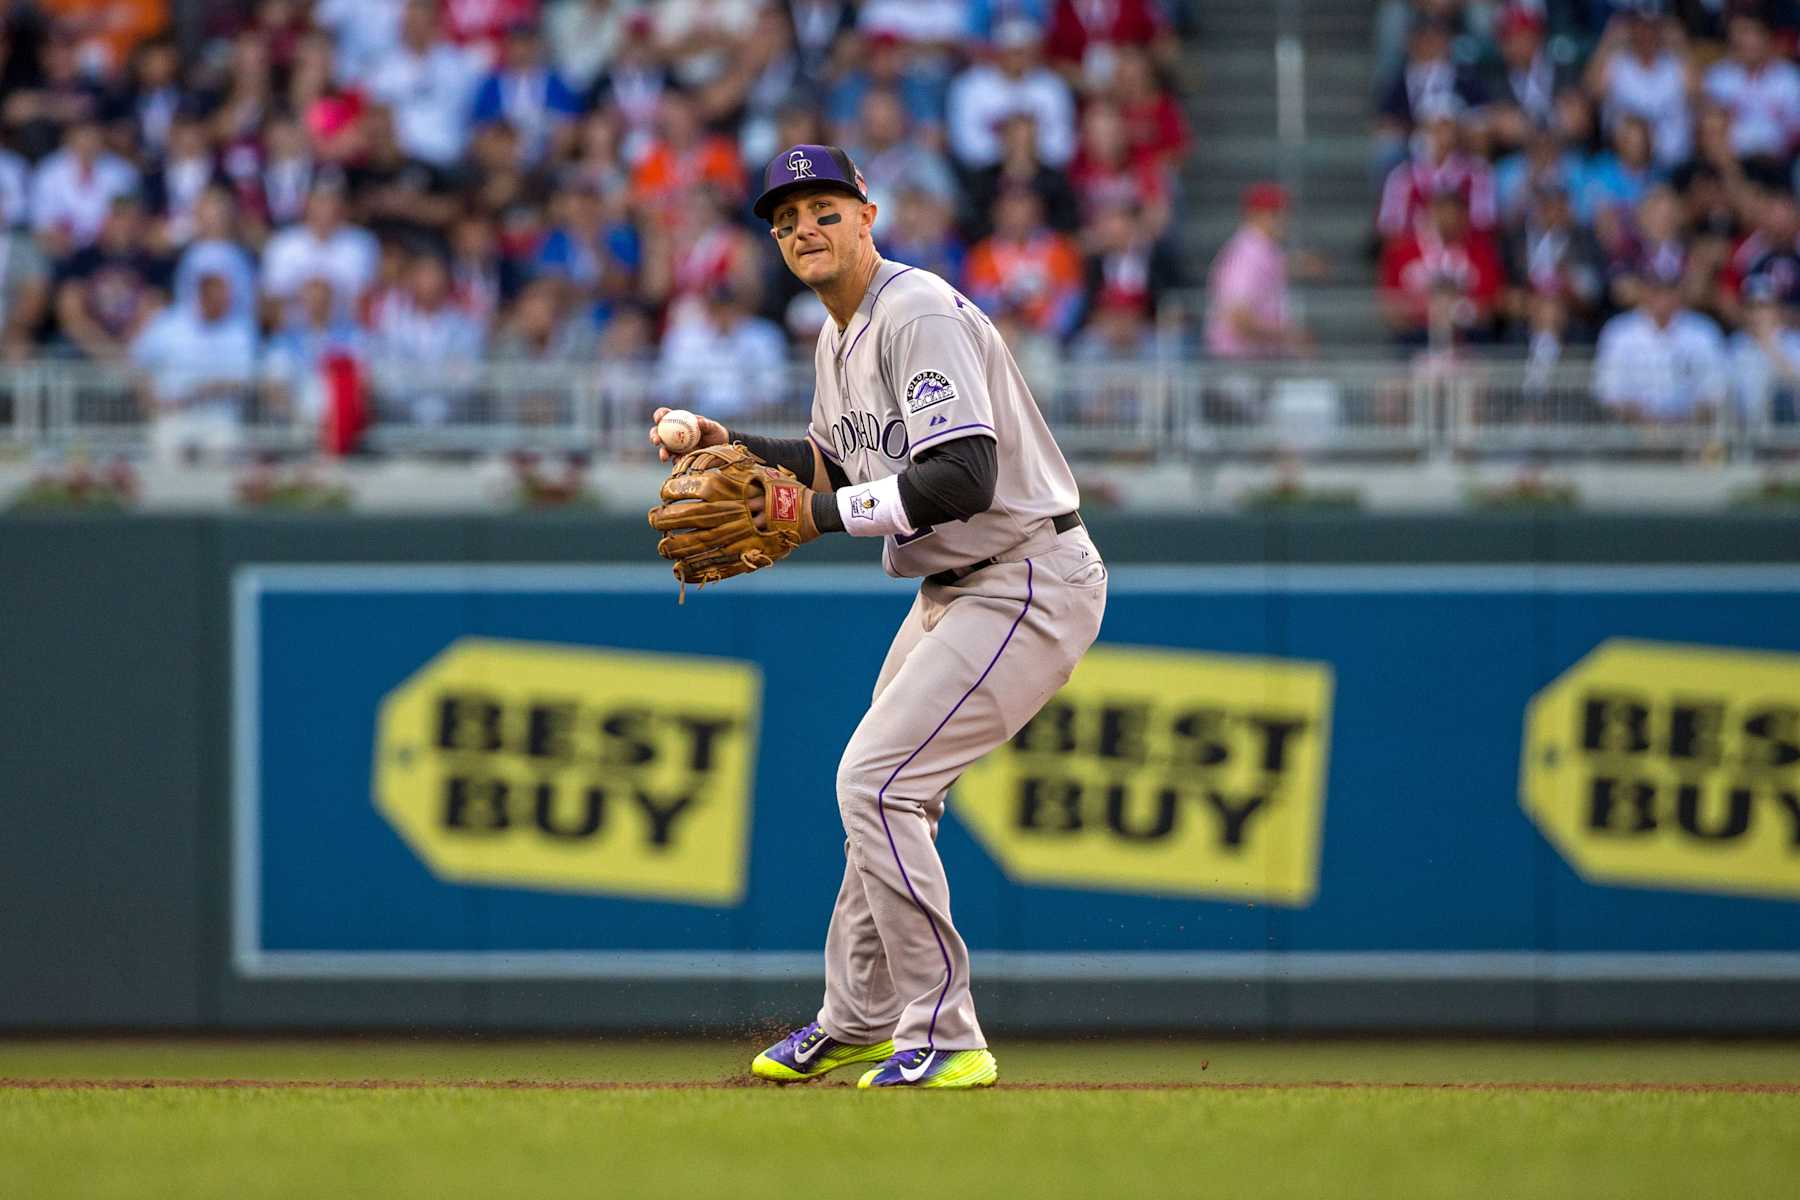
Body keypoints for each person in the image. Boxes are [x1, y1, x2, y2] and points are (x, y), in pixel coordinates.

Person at [650, 144, 1106, 1090]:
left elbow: (962, 475)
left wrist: (811, 517)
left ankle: (945, 1033)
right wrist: (724, 438)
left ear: (867, 213)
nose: (803, 231)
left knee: (877, 782)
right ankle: (856, 1021)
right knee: (886, 793)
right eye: (785, 221)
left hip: (1024, 574)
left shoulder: (917, 310)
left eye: (821, 210)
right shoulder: (838, 334)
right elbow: (836, 465)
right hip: (958, 587)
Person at [131, 269, 261, 464]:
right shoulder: (169, 322)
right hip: (173, 415)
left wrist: (196, 392)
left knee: (224, 455)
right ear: (202, 296)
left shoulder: (239, 330)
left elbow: (241, 380)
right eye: (220, 298)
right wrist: (149, 398)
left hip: (219, 417)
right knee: (165, 454)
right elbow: (138, 360)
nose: (226, 303)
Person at [1593, 263, 1728, 425]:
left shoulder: (1704, 330)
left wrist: (1684, 426)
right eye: (1656, 288)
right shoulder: (1618, 331)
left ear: (1681, 290)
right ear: (1642, 289)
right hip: (1632, 437)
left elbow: (1716, 391)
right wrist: (1647, 426)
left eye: (1670, 288)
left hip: (1693, 434)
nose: (1663, 297)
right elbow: (1610, 393)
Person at [1205, 182, 1308, 359]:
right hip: (1237, 364)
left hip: (1253, 360)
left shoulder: (1263, 249)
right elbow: (1238, 318)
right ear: (1254, 215)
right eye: (1274, 213)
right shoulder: (1246, 253)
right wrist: (1288, 335)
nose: (1283, 220)